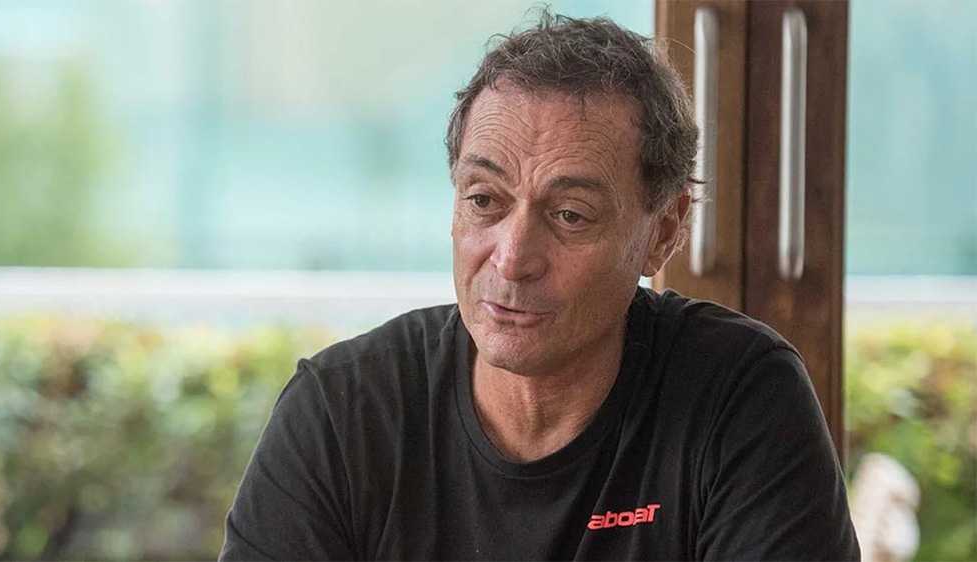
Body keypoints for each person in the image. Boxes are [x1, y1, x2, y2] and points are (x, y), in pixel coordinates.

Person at [220, 11, 860, 561]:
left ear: (663, 233)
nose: (512, 258)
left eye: (570, 215)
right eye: (484, 200)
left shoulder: (738, 396)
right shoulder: (342, 412)